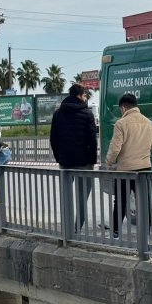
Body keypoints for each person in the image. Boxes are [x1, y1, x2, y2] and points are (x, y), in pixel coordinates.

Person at [106, 93, 152, 239]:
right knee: (144, 201)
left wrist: (109, 162)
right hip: (145, 167)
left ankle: (115, 231)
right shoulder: (149, 123)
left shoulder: (121, 123)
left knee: (120, 200)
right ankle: (145, 232)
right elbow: (151, 145)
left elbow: (115, 148)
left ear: (123, 108)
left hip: (126, 169)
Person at [50, 83, 98, 230]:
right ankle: (77, 227)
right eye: (84, 95)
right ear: (79, 95)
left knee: (66, 197)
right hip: (84, 163)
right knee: (82, 198)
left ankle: (67, 227)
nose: (85, 98)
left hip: (65, 162)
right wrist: (92, 160)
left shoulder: (58, 114)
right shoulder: (87, 114)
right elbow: (92, 139)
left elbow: (53, 139)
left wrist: (59, 157)